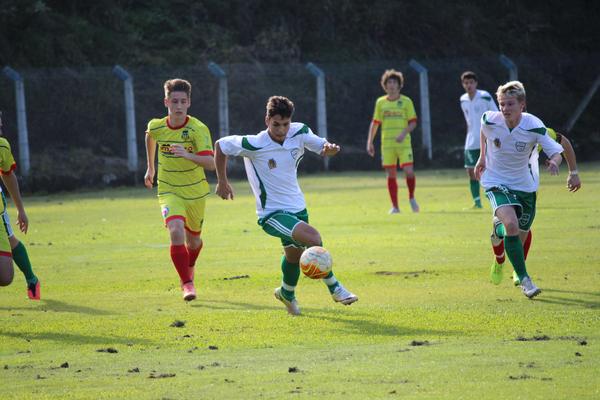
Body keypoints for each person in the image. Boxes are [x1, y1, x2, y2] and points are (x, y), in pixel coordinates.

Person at [214, 96, 358, 316]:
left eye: (285, 124)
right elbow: (220, 146)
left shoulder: (298, 133)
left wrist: (328, 148)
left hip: (297, 207)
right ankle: (335, 288)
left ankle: (286, 293)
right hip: (272, 214)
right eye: (276, 124)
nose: (281, 130)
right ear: (267, 120)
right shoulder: (254, 143)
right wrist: (222, 181)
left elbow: (320, 145)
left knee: (293, 257)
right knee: (313, 238)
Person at [475, 81, 564, 299]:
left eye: (510, 104)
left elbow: (557, 151)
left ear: (522, 105)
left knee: (520, 232)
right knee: (512, 225)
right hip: (495, 181)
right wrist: (481, 157)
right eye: (502, 104)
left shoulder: (533, 125)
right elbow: (483, 131)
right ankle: (524, 279)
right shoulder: (490, 119)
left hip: (525, 186)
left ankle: (499, 235)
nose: (505, 109)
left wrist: (554, 162)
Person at [144, 79, 215, 302]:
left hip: (195, 193)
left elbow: (211, 163)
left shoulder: (198, 129)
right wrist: (150, 167)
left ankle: (190, 265)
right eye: (174, 101)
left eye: (183, 101)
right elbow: (150, 135)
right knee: (175, 231)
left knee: (193, 242)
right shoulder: (157, 125)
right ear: (166, 101)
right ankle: (187, 284)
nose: (179, 106)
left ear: (189, 103)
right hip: (168, 190)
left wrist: (188, 155)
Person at [489, 127, 582, 286]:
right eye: (505, 105)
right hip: (502, 187)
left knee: (522, 229)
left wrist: (573, 172)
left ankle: (519, 270)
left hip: (528, 190)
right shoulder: (496, 126)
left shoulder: (534, 129)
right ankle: (499, 260)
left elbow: (562, 141)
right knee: (505, 228)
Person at [0, 111, 40, 300]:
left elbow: (7, 174)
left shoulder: (2, 146)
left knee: (6, 277)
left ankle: (32, 279)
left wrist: (21, 210)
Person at [367, 69, 419, 214]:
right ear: (385, 85)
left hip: (404, 144)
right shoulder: (380, 102)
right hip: (387, 145)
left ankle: (411, 197)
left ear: (399, 85)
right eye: (389, 82)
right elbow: (375, 123)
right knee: (391, 175)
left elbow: (413, 122)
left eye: (394, 82)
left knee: (409, 172)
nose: (391, 85)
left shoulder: (406, 101)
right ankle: (395, 207)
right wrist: (370, 142)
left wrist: (403, 133)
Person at [459, 71, 499, 209]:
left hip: (486, 140)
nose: (468, 85)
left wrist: (495, 137)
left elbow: (496, 115)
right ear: (463, 84)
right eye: (466, 83)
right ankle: (477, 202)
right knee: (471, 171)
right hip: (471, 141)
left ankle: (497, 199)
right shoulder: (463, 99)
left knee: (489, 171)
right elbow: (468, 121)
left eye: (471, 82)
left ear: (476, 83)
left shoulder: (485, 96)